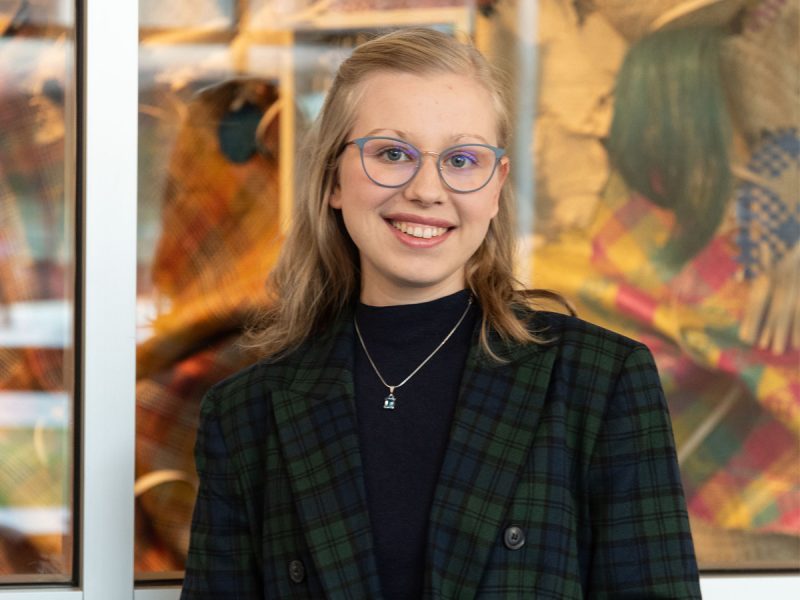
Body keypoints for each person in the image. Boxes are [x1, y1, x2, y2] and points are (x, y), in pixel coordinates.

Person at [180, 27, 701, 599]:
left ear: (496, 187)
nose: (427, 190)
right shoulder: (244, 414)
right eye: (392, 153)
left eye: (462, 159)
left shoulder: (601, 381)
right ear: (332, 179)